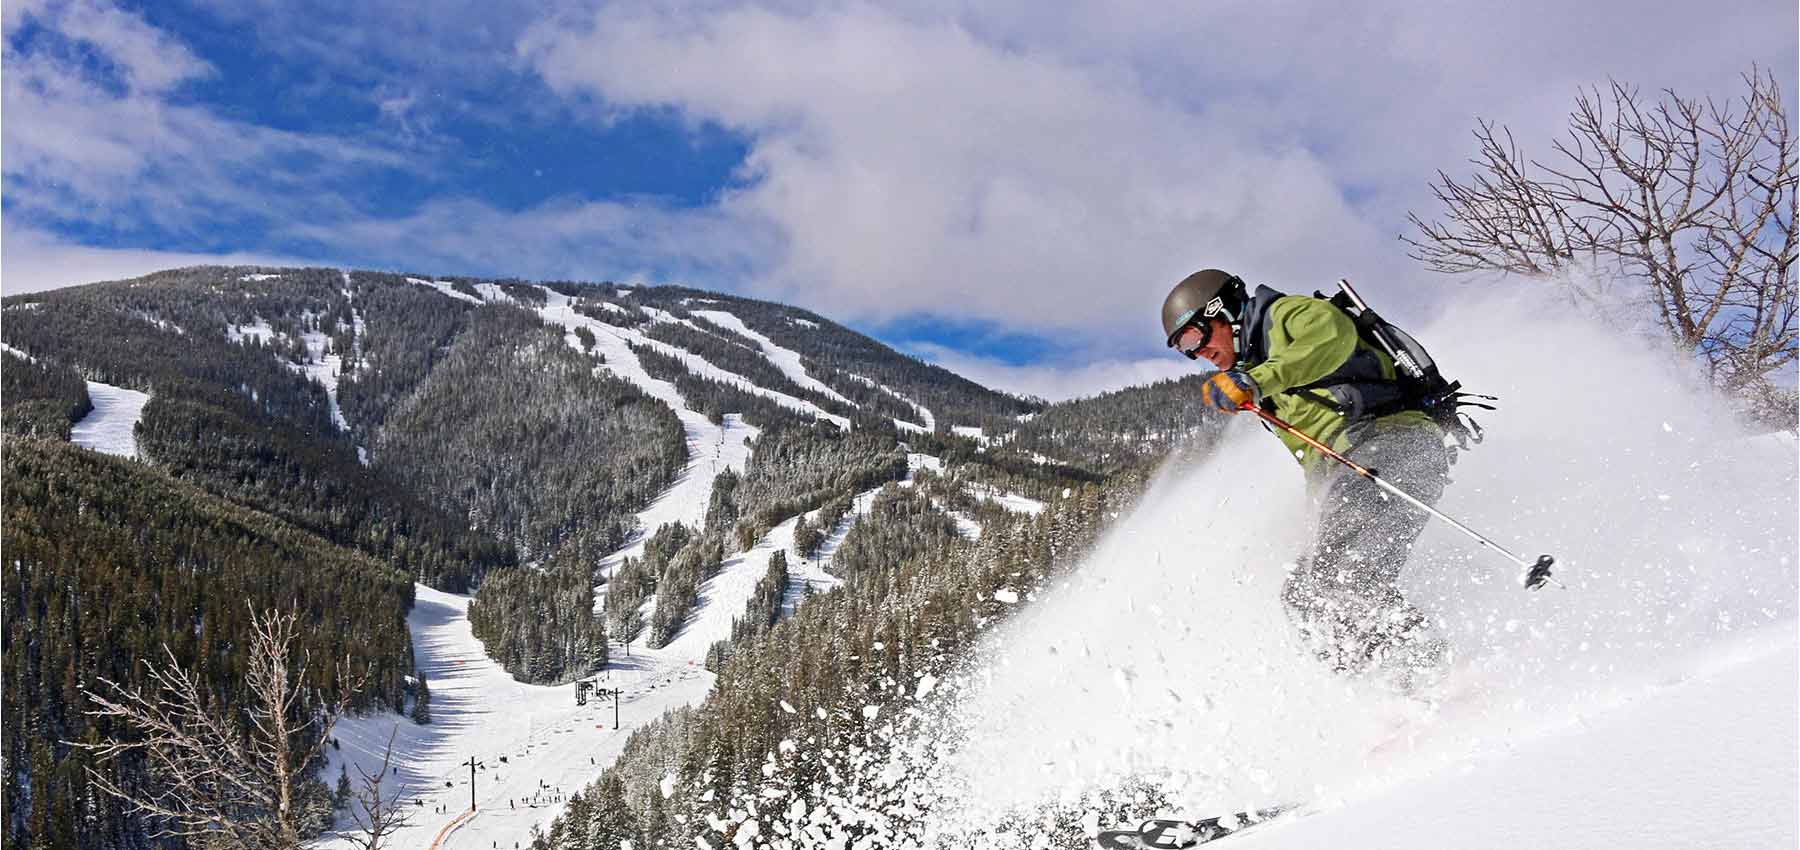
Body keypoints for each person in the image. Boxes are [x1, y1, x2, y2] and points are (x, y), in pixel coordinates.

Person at [1161, 268, 1451, 687]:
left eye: (1194, 338)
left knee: (1344, 572)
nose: (1197, 354)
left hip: (1395, 444)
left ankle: (1435, 673)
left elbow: (1329, 344)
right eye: (1185, 350)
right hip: (1355, 468)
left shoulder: (1291, 315)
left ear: (1221, 312)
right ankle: (1393, 693)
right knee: (1306, 594)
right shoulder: (1259, 368)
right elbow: (1316, 459)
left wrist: (1254, 380)